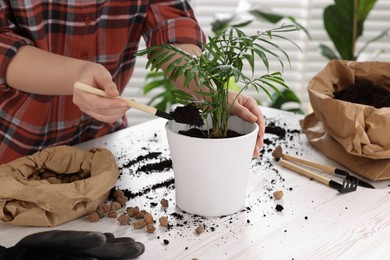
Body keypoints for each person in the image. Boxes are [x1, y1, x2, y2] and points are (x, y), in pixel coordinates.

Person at [0, 0, 265, 164]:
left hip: (103, 148)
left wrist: (211, 91)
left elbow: (171, 28)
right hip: (15, 154)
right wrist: (75, 75)